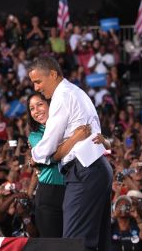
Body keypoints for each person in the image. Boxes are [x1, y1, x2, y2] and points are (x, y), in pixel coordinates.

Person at [28, 56, 112, 251]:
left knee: (74, 244)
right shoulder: (75, 92)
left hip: (84, 170)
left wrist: (34, 155)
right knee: (97, 243)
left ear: (53, 75)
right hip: (96, 168)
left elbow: (48, 145)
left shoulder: (63, 96)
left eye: (38, 81)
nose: (36, 88)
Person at [27, 92, 93, 238]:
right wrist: (75, 138)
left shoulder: (68, 127)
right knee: (53, 244)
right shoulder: (35, 136)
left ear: (51, 104)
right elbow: (53, 156)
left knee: (73, 243)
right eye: (32, 108)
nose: (36, 111)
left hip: (74, 189)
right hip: (48, 194)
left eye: (40, 104)